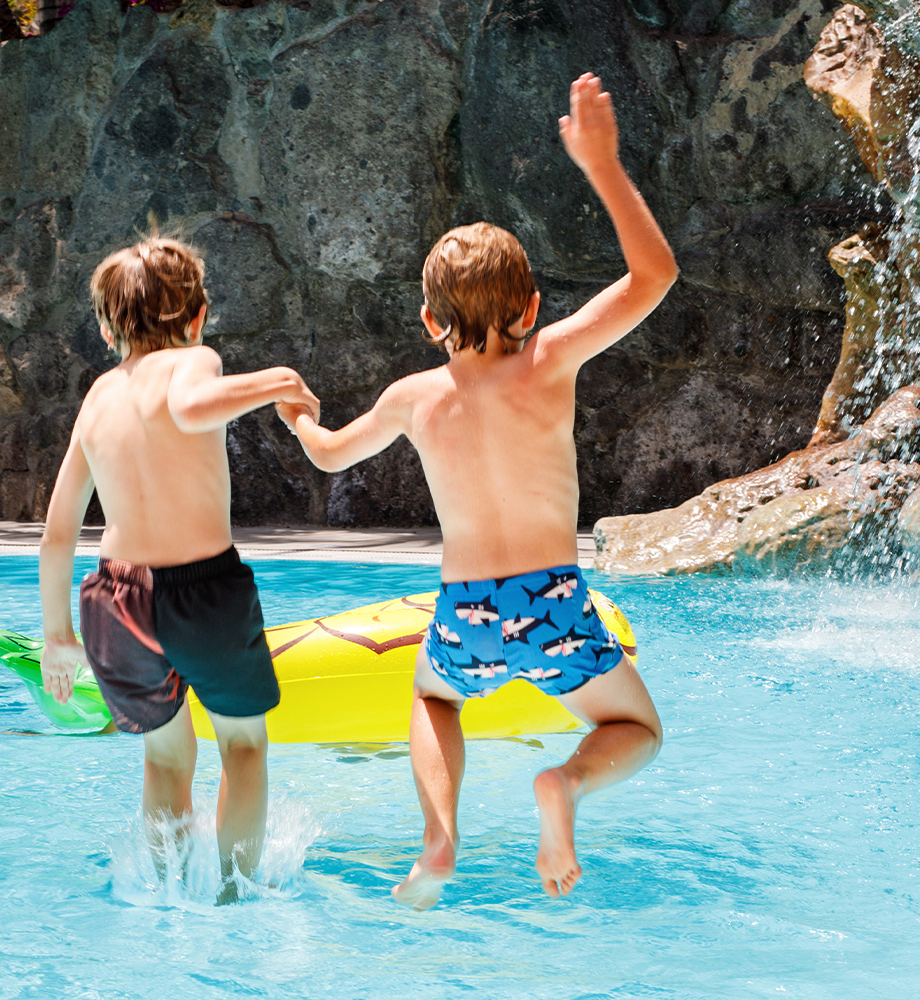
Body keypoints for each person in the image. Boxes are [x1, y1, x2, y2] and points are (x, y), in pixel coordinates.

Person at [276, 74, 676, 909]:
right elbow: (653, 277)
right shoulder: (551, 357)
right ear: (531, 307)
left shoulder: (413, 397)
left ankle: (440, 837)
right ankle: (563, 786)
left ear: (429, 323)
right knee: (636, 729)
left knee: (432, 694)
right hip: (557, 602)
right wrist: (600, 166)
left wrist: (301, 421)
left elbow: (327, 457)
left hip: (466, 612)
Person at [38, 236, 320, 904]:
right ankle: (228, 896)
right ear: (197, 316)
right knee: (244, 749)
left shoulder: (97, 399)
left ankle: (164, 892)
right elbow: (191, 408)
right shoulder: (195, 360)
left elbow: (56, 537)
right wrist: (281, 381)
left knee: (166, 757)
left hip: (110, 601)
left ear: (108, 330)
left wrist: (58, 638)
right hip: (201, 591)